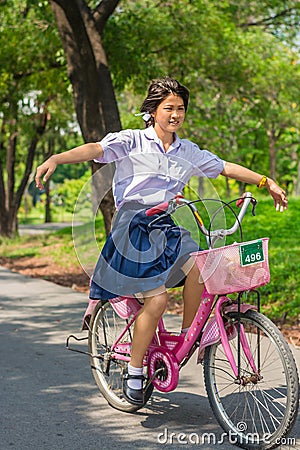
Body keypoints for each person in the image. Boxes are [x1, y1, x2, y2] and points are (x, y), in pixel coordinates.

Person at [35, 77, 288, 406]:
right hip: (132, 227)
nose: (175, 114)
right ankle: (136, 370)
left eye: (180, 109)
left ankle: (186, 338)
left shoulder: (187, 151)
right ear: (152, 111)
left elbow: (224, 167)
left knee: (202, 268)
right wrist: (57, 157)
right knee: (156, 302)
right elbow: (95, 149)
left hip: (164, 223)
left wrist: (266, 181)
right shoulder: (133, 141)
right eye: (168, 108)